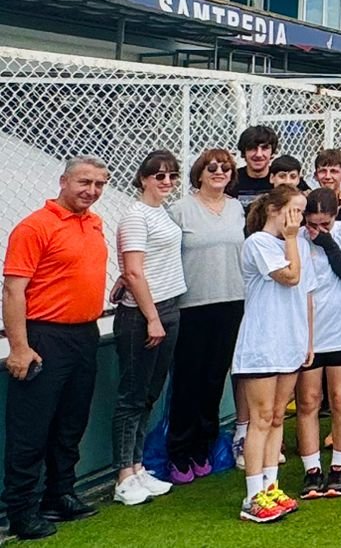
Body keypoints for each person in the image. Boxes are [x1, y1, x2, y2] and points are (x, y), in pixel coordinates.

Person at [3, 157, 111, 540]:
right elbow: (13, 290)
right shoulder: (34, 227)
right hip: (44, 337)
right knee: (31, 428)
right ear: (63, 181)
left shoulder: (94, 223)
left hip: (85, 334)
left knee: (71, 423)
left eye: (99, 184)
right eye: (84, 182)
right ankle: (20, 510)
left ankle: (60, 495)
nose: (91, 191)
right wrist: (19, 347)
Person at [167, 147, 249, 483]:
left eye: (226, 168)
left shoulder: (237, 209)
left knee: (215, 379)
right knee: (188, 380)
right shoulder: (180, 210)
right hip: (192, 306)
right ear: (199, 173)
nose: (219, 172)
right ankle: (179, 451)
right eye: (212, 167)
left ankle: (203, 447)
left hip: (231, 302)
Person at [232, 186, 313, 524]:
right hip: (262, 344)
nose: (299, 219)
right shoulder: (258, 243)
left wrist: (308, 340)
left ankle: (270, 487)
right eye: (294, 210)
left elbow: (307, 292)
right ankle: (252, 497)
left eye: (302, 212)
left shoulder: (299, 243)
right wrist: (292, 238)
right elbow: (290, 277)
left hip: (290, 343)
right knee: (261, 418)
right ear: (274, 210)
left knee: (278, 416)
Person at [110, 151, 185, 507]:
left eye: (172, 176)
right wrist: (151, 317)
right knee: (132, 396)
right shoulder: (135, 215)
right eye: (159, 176)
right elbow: (134, 270)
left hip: (169, 307)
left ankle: (138, 467)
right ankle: (123, 476)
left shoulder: (162, 212)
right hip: (142, 315)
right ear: (143, 179)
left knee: (149, 394)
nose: (167, 182)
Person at [295, 187, 341, 500]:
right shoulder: (296, 237)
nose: (317, 230)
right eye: (312, 224)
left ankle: (339, 466)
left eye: (325, 224)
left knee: (340, 397)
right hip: (307, 330)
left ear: (335, 216)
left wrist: (327, 242)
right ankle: (311, 469)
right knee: (308, 400)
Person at [312, 150, 341, 220]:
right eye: (323, 171)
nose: (327, 176)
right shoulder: (309, 204)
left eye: (333, 171)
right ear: (316, 176)